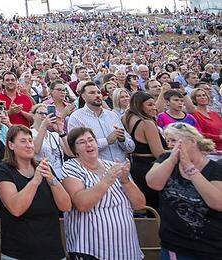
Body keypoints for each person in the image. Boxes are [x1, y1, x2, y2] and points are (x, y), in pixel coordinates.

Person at [62, 127, 146, 260]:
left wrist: (125, 181)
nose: (88, 144)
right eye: (82, 142)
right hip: (91, 250)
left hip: (128, 249)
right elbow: (82, 204)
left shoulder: (113, 165)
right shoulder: (71, 167)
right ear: (74, 150)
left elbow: (140, 204)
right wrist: (106, 181)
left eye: (91, 140)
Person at [146, 123, 222, 260]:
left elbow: (218, 203)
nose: (169, 145)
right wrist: (172, 160)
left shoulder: (216, 168)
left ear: (192, 141)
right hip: (174, 245)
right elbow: (153, 183)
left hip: (210, 248)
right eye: (167, 141)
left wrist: (190, 169)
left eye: (174, 140)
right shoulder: (166, 159)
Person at [0, 125, 72, 260]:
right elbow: (16, 209)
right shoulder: (4, 170)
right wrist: (35, 181)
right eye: (23, 141)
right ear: (11, 145)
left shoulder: (45, 168)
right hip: (17, 253)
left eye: (31, 140)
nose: (29, 145)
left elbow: (66, 206)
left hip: (52, 252)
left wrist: (52, 180)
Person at [68, 81, 135, 162]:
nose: (97, 95)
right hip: (98, 171)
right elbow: (78, 148)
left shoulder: (112, 115)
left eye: (99, 92)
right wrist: (106, 141)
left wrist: (123, 139)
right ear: (83, 96)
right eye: (92, 93)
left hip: (122, 169)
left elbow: (131, 147)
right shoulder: (76, 117)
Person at [121, 91, 166, 209]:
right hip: (150, 169)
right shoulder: (147, 124)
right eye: (150, 105)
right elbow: (159, 154)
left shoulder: (127, 118)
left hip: (136, 167)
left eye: (154, 104)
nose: (154, 108)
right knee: (156, 208)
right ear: (140, 105)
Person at [31, 103, 72, 180]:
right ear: (33, 115)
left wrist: (61, 131)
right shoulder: (29, 133)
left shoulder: (54, 135)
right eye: (41, 113)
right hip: (43, 177)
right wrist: (43, 126)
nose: (44, 116)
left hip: (61, 175)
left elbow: (70, 152)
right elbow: (35, 150)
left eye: (46, 114)